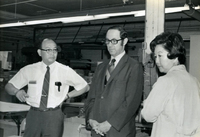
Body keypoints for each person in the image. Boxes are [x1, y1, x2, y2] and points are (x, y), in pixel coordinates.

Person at [5, 38, 89, 137]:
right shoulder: (29, 70)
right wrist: (16, 91)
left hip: (54, 115)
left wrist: (67, 96)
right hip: (34, 114)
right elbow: (8, 86)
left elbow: (85, 86)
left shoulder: (65, 71)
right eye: (48, 50)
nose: (52, 53)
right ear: (40, 52)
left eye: (55, 50)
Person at [84, 26, 143, 137]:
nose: (110, 45)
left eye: (114, 41)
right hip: (97, 130)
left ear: (124, 41)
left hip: (119, 131)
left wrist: (110, 123)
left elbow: (131, 102)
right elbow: (92, 97)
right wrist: (91, 119)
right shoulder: (101, 67)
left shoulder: (134, 67)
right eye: (107, 41)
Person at [141, 32, 200, 137]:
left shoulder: (165, 81)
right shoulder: (194, 81)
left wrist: (147, 104)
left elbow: (148, 115)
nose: (157, 61)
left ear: (175, 55)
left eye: (160, 55)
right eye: (155, 56)